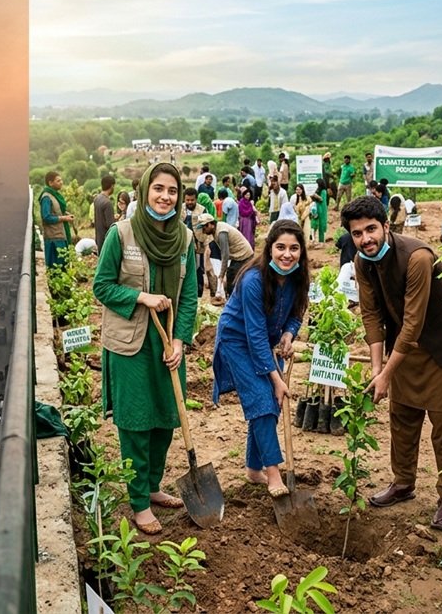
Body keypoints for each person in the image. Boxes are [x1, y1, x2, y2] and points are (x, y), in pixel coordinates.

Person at [341, 197, 442, 530]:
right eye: (357, 234)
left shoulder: (417, 258)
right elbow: (370, 315)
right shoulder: (362, 261)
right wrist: (376, 370)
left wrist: (386, 372)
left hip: (441, 344)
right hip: (404, 348)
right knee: (402, 417)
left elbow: (413, 323)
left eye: (371, 229)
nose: (365, 239)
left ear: (386, 226)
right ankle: (403, 482)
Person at [92, 162, 197, 535]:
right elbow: (101, 287)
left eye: (172, 191)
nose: (165, 197)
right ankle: (138, 503)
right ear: (144, 191)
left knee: (166, 420)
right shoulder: (121, 235)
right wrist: (141, 297)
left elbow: (188, 297)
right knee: (136, 423)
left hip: (168, 342)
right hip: (130, 343)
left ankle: (153, 486)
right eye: (159, 189)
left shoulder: (184, 240)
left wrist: (181, 341)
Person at [212, 220, 308, 494]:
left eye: (293, 248)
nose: (287, 254)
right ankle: (274, 474)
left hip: (266, 342)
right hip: (237, 340)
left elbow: (296, 313)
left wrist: (289, 334)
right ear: (269, 249)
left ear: (301, 251)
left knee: (271, 405)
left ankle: (254, 469)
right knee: (263, 400)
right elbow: (253, 336)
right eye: (280, 247)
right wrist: (276, 379)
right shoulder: (254, 279)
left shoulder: (298, 277)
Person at [40, 171, 75, 270]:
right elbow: (46, 217)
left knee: (64, 264)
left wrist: (66, 214)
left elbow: (56, 211)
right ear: (50, 183)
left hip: (60, 235)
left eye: (61, 180)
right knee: (56, 267)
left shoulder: (55, 195)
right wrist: (64, 218)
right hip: (53, 238)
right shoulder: (46, 197)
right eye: (58, 181)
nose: (61, 182)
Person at [94, 174, 116, 253]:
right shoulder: (107, 203)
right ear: (112, 186)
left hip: (99, 237)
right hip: (106, 240)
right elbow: (110, 225)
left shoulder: (97, 199)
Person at [310, 179, 329, 245]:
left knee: (321, 224)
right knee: (314, 224)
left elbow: (321, 199)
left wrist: (315, 195)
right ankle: (313, 239)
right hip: (317, 208)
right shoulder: (318, 189)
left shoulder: (323, 191)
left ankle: (321, 242)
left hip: (321, 209)